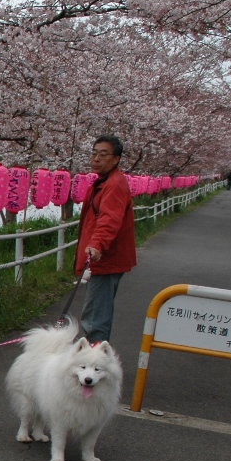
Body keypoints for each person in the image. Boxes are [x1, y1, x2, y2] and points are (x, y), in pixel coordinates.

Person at [74, 135, 136, 343]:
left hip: (104, 260)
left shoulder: (114, 184)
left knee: (94, 317)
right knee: (95, 313)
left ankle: (94, 364)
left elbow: (110, 219)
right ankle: (95, 360)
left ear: (116, 159)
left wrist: (97, 244)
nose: (96, 159)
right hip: (104, 259)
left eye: (103, 154)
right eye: (94, 153)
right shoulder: (104, 182)